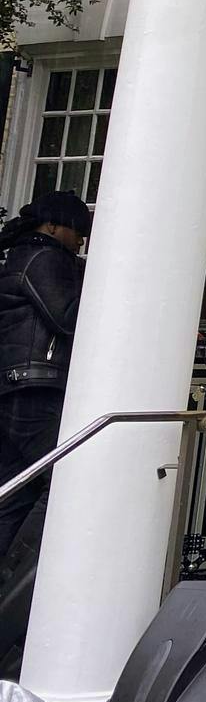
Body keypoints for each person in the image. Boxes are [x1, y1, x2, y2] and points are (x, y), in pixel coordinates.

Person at [0, 191, 91, 567]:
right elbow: (69, 317)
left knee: (15, 492)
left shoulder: (22, 256)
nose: (82, 239)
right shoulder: (44, 258)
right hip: (35, 388)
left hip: (16, 387)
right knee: (68, 479)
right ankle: (25, 576)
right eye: (77, 230)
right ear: (52, 226)